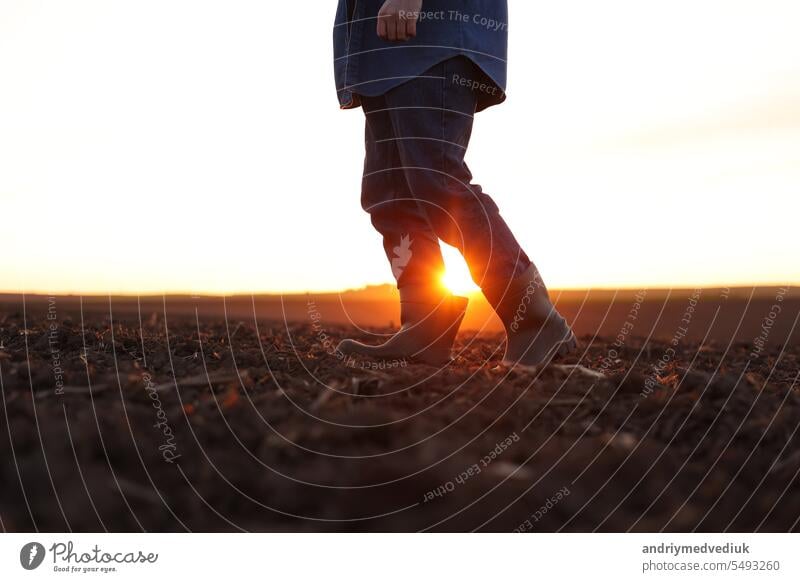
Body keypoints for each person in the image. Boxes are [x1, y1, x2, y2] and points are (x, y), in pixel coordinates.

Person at [333, 0, 577, 367]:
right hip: (381, 49)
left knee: (437, 182)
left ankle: (533, 319)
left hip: (429, 36)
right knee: (390, 191)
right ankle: (425, 322)